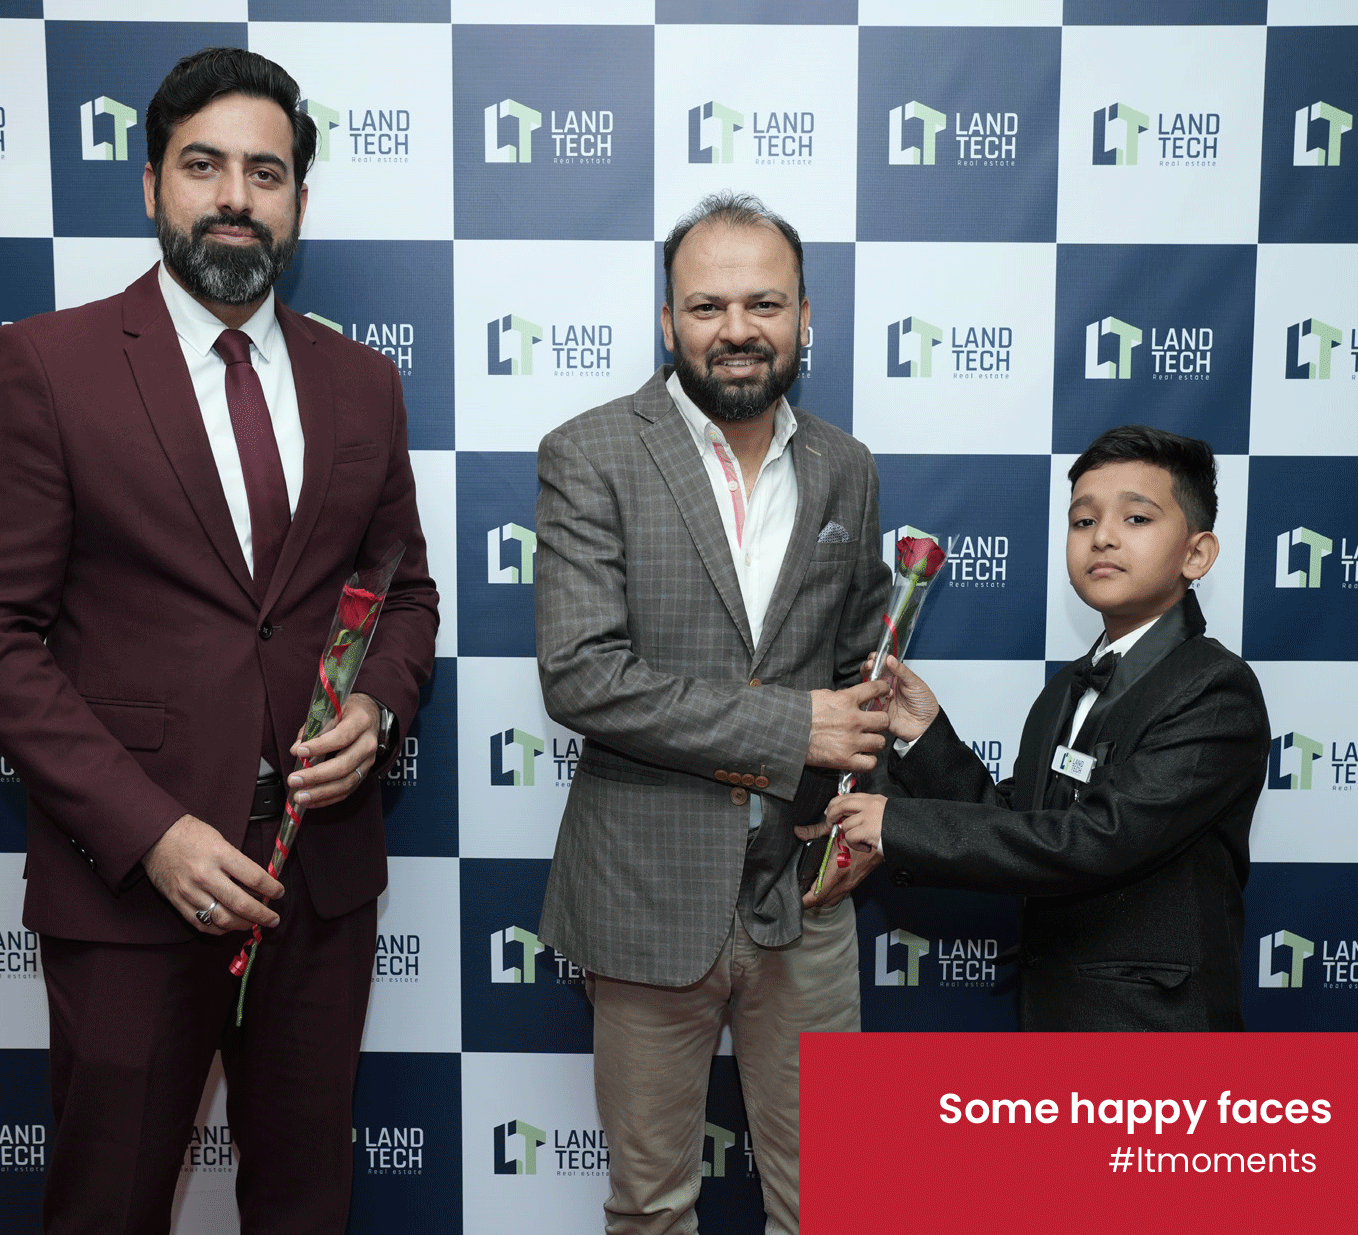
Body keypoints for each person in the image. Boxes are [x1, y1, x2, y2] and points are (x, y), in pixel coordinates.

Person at [0, 47, 437, 1233]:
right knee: (106, 1203)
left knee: (305, 1202)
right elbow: (7, 638)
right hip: (130, 883)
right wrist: (152, 834)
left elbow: (404, 594)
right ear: (151, 185)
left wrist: (378, 707)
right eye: (204, 166)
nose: (236, 196)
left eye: (266, 172)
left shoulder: (364, 383)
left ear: (298, 198)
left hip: (317, 878)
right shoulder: (46, 366)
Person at [535, 192, 891, 1232]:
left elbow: (861, 666)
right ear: (668, 321)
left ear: (804, 317)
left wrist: (868, 803)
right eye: (706, 306)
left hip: (807, 894)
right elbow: (581, 676)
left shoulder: (845, 467)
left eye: (764, 303)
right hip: (645, 891)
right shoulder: (589, 452)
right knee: (652, 1207)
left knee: (831, 1200)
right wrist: (793, 731)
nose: (737, 328)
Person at [822, 425, 1270, 1031]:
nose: (1102, 536)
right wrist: (924, 735)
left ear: (1197, 554)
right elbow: (1018, 823)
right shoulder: (1067, 687)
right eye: (1083, 521)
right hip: (1053, 1021)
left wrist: (895, 824)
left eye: (1137, 519)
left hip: (1152, 1035)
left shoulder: (1216, 689)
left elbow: (1095, 840)